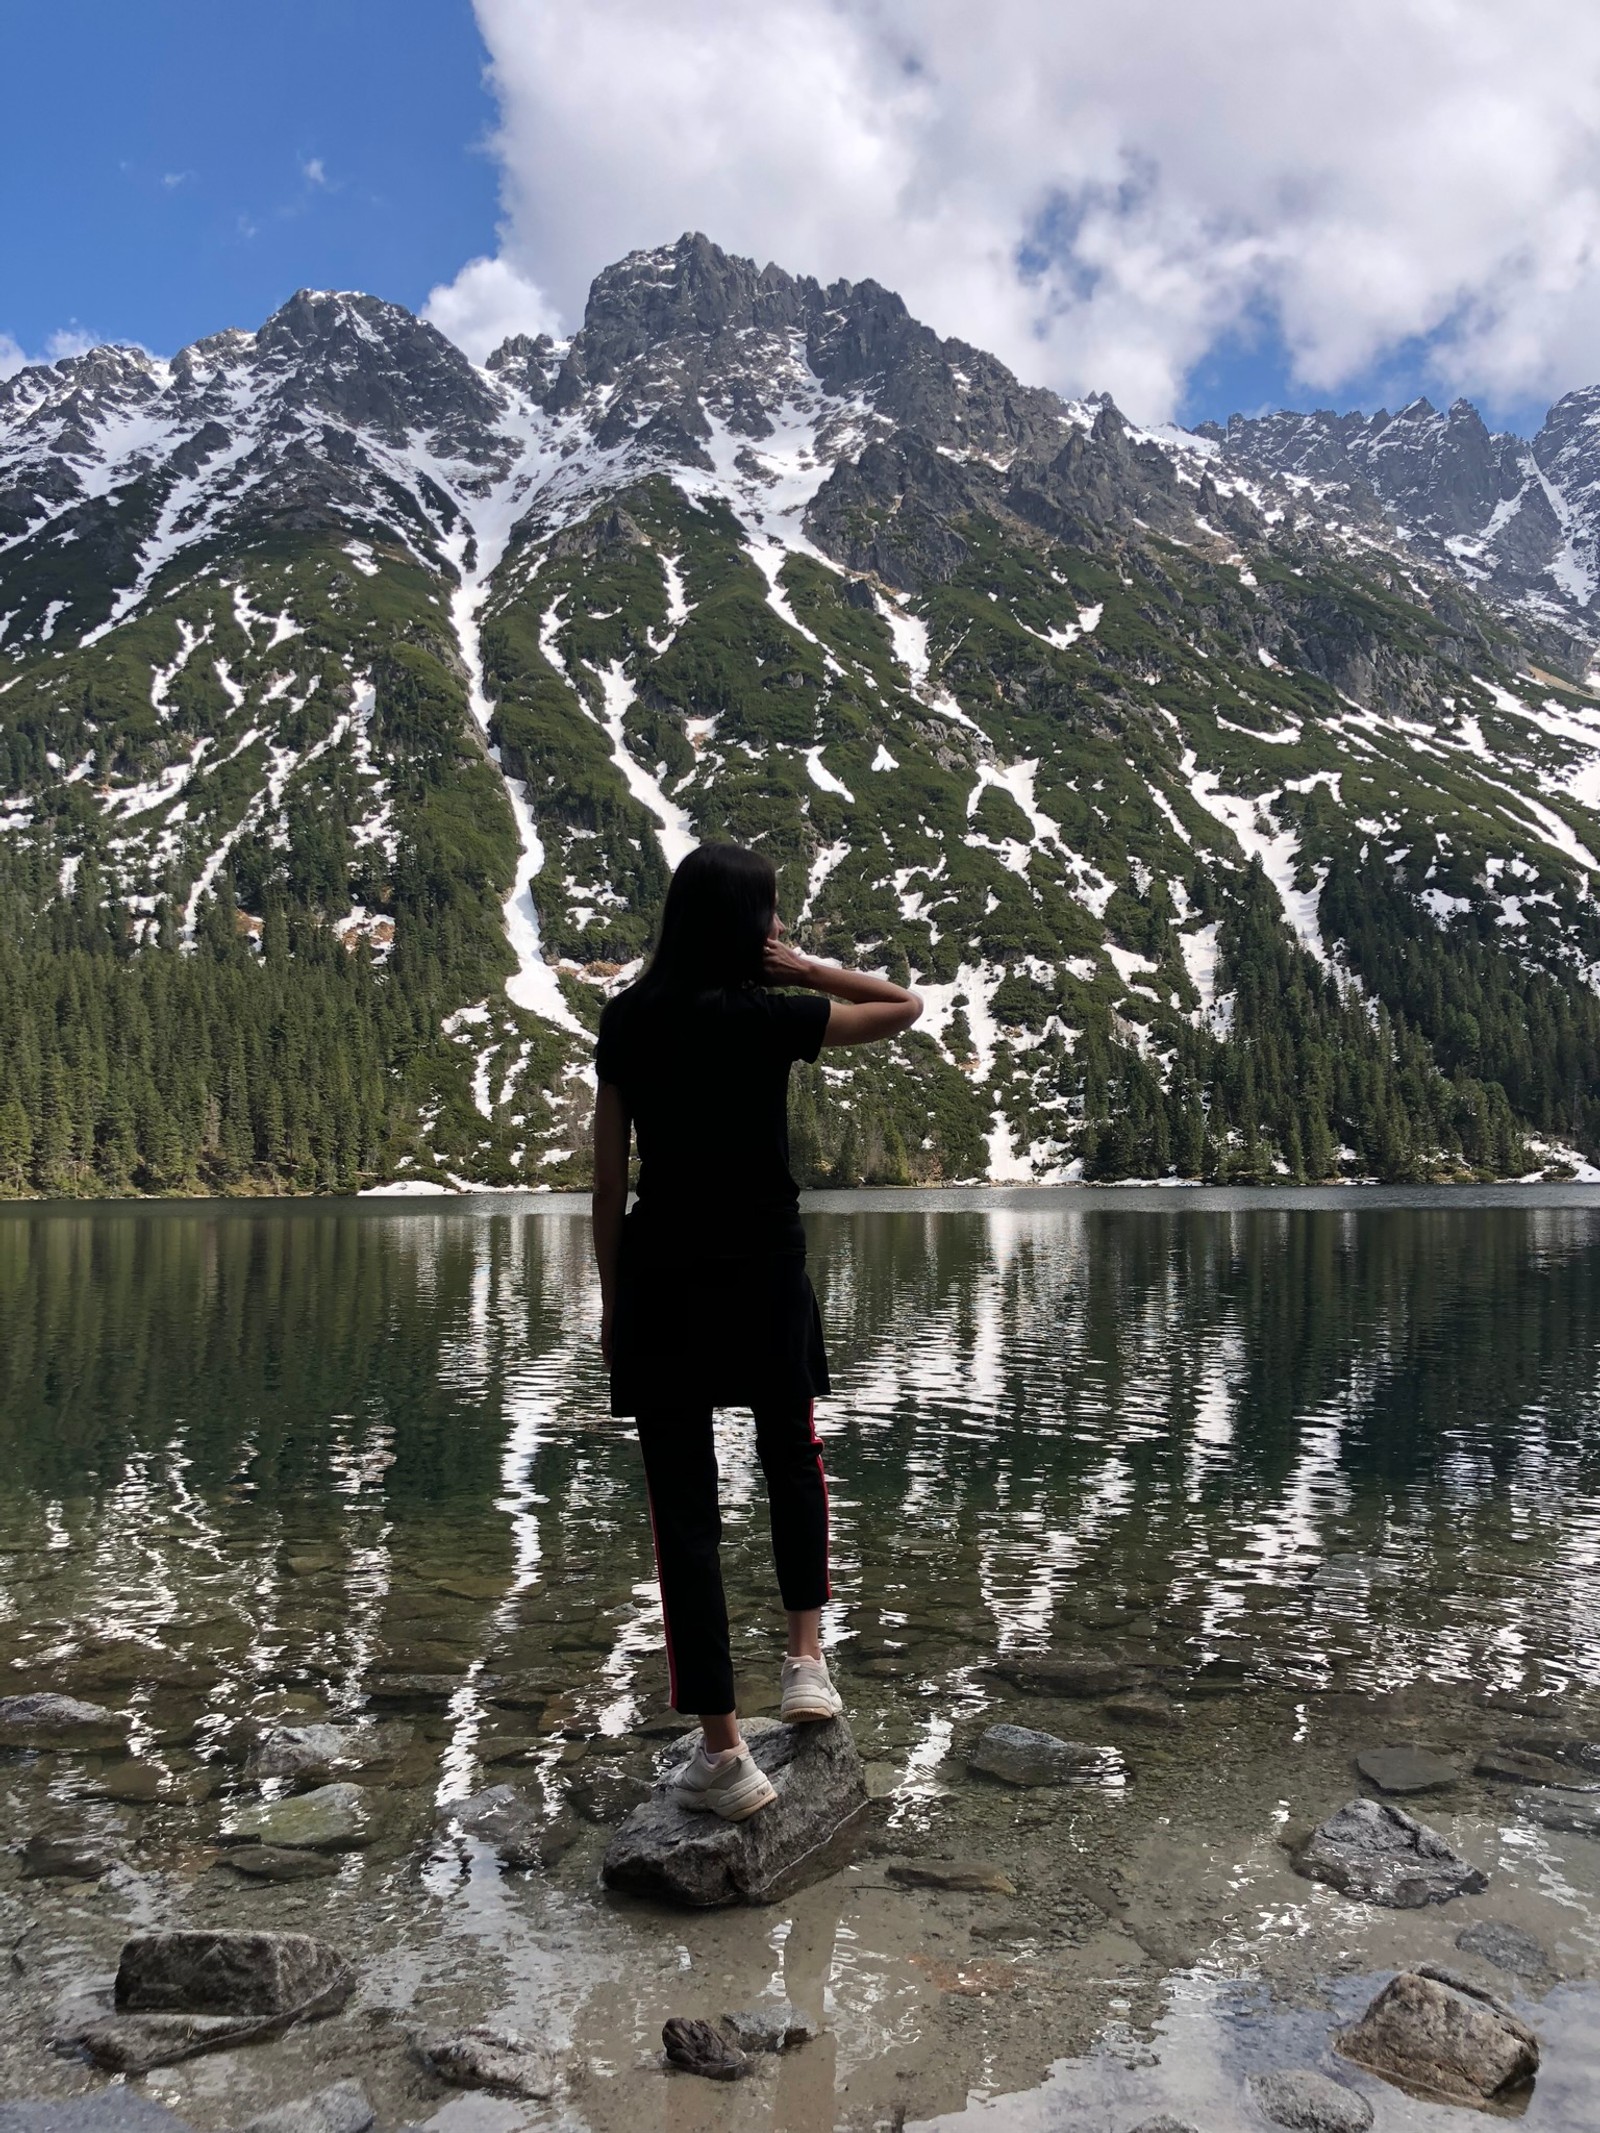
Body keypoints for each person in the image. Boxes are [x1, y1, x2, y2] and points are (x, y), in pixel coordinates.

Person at [591, 842, 923, 1820]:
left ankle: (724, 1753)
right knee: (792, 1455)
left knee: (681, 1517)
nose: (778, 931)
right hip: (764, 1266)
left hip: (661, 1275)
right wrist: (808, 968)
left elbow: (610, 1182)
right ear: (747, 928)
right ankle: (805, 1664)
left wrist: (613, 1306)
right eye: (771, 917)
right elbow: (902, 1008)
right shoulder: (765, 1016)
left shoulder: (629, 1018)